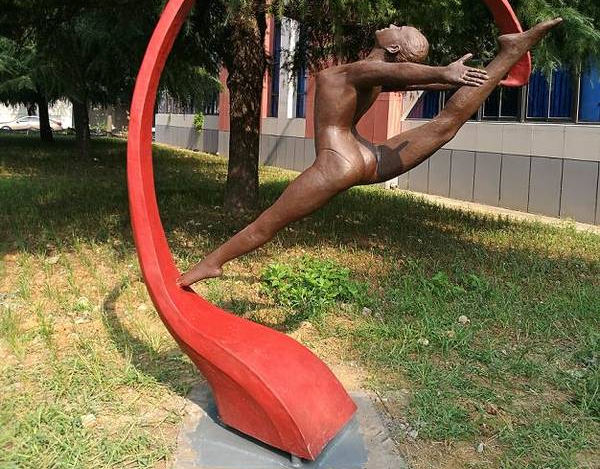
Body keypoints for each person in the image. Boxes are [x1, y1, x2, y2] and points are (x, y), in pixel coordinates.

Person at [177, 17, 563, 287]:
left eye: (399, 28)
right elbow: (399, 77)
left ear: (392, 46)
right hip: (367, 158)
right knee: (445, 125)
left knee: (267, 223)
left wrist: (443, 74)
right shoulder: (371, 76)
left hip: (339, 163)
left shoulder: (354, 72)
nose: (393, 24)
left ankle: (211, 264)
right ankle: (510, 52)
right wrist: (448, 76)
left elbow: (400, 75)